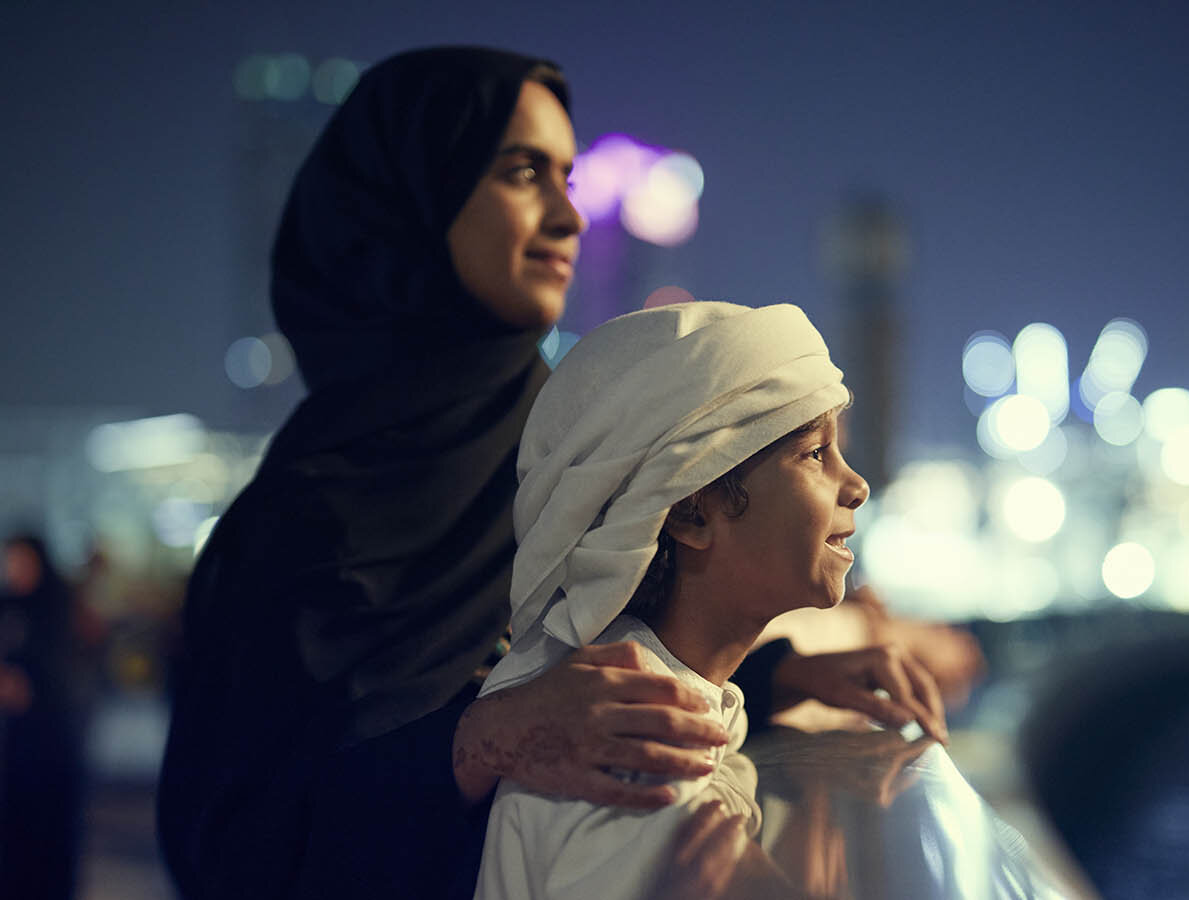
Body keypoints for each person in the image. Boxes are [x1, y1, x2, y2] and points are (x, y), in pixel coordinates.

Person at [158, 46, 947, 900]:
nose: (567, 219)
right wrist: (479, 746)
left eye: (567, 181)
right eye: (522, 172)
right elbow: (227, 846)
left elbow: (583, 644)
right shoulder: (295, 525)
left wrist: (770, 672)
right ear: (410, 198)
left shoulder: (568, 443)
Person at [475, 300, 900, 899]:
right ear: (690, 510)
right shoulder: (635, 754)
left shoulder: (674, 704)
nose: (855, 486)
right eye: (814, 453)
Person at [1, 534, 85, 900]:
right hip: (15, 747)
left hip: (51, 746)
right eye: (10, 562)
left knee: (46, 839)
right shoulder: (8, 606)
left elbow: (57, 677)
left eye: (22, 561)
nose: (15, 570)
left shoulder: (56, 609)